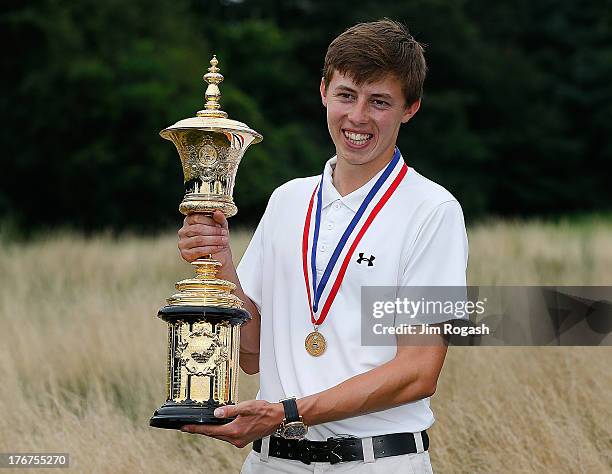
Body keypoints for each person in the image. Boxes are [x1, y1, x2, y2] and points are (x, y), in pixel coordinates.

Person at [178, 19, 468, 473]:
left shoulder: (432, 210)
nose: (357, 117)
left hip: (374, 461)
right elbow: (250, 351)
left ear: (410, 108)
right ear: (323, 92)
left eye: (379, 102)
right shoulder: (287, 200)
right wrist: (219, 260)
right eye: (346, 95)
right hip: (272, 462)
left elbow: (418, 371)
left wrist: (288, 411)